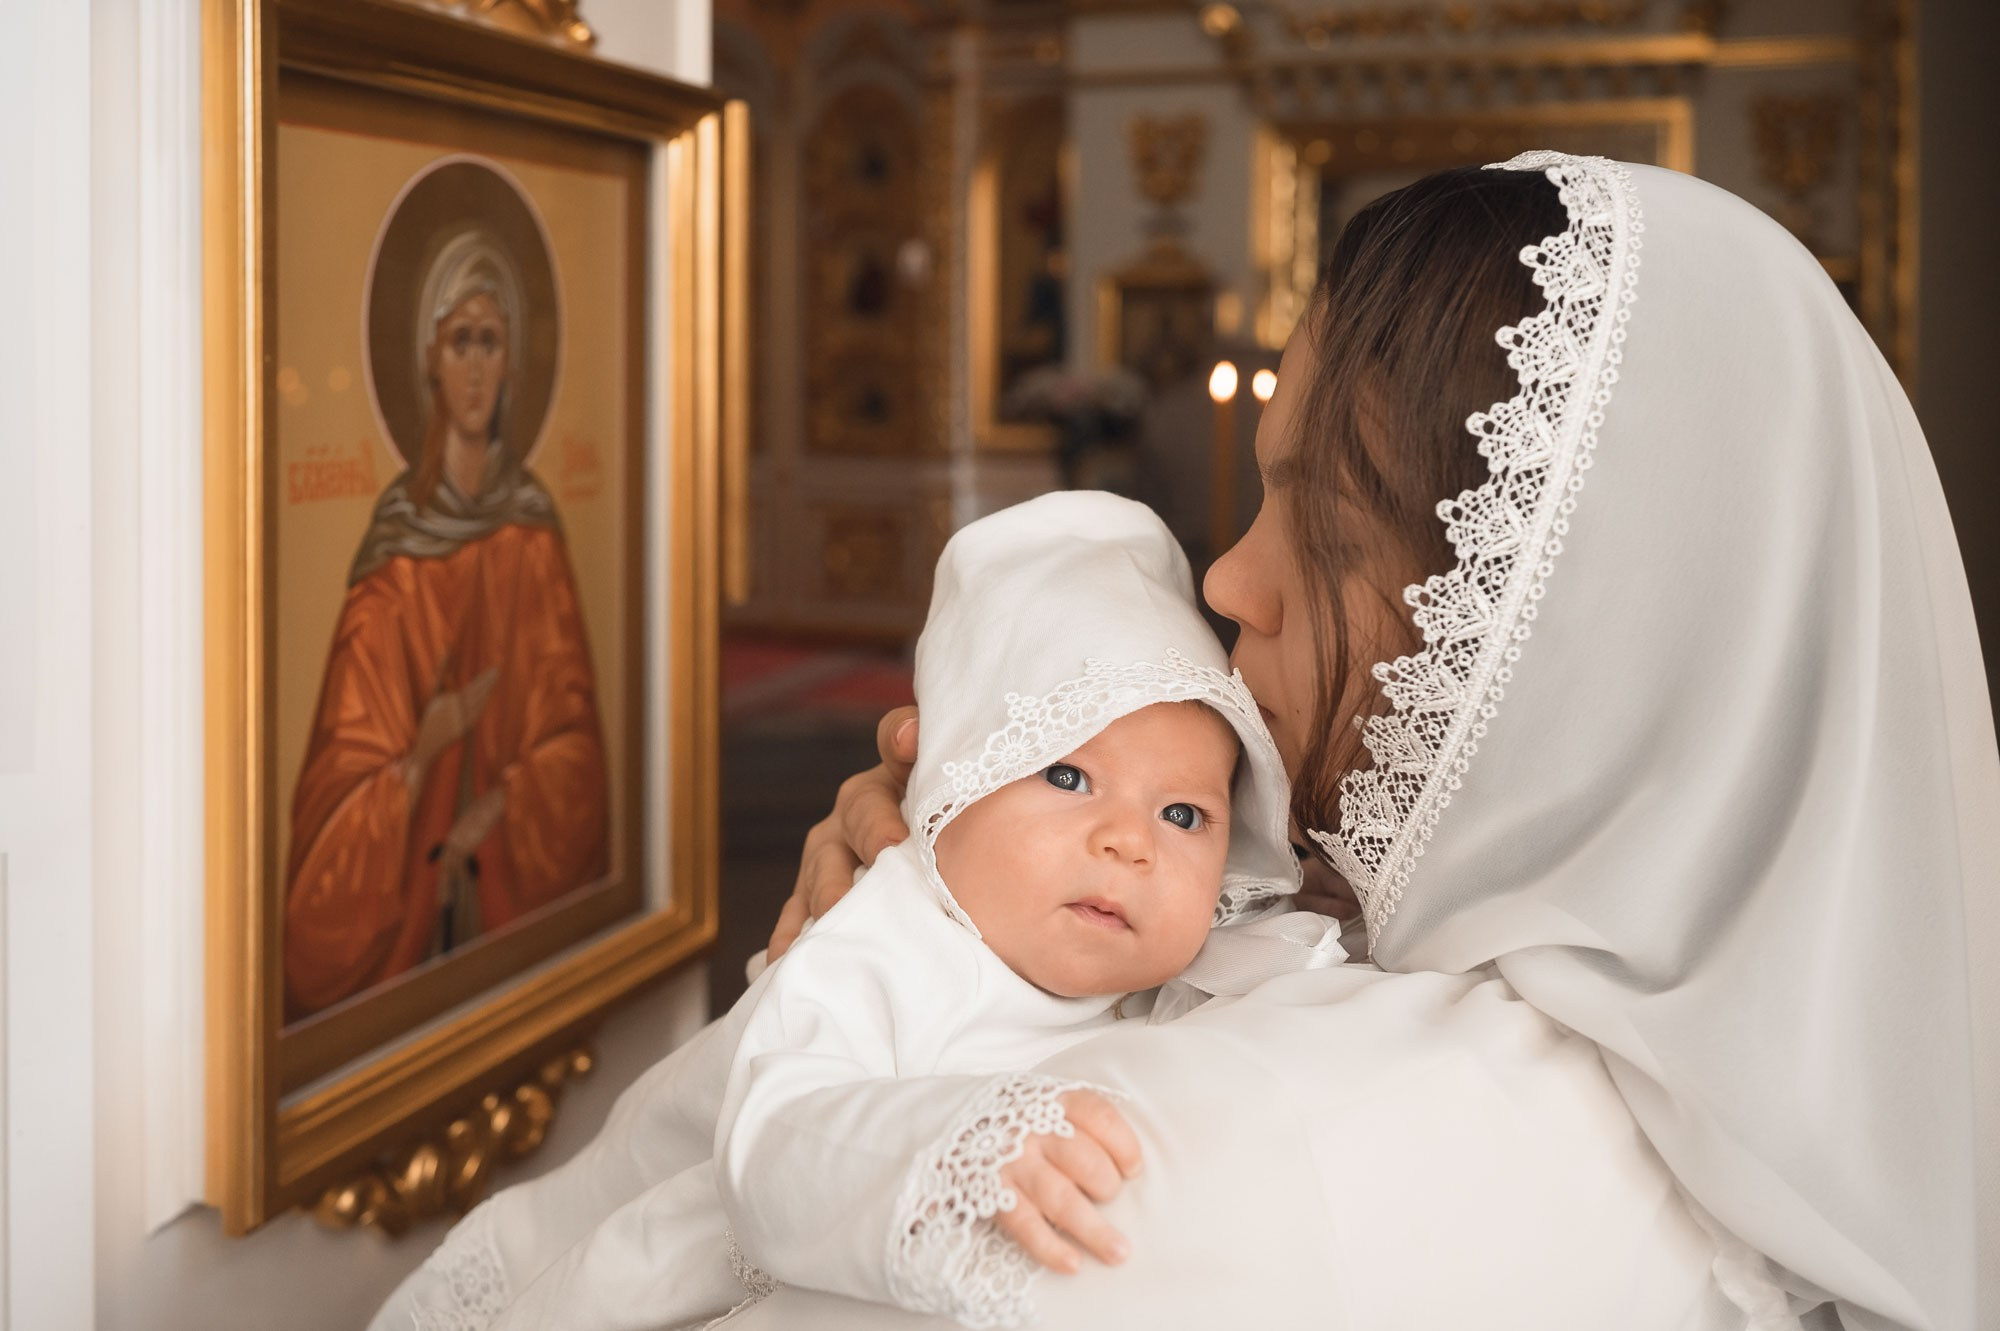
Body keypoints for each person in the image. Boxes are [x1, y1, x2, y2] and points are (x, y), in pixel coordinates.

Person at [732, 154, 1999, 1330]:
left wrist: (857, 1018)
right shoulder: (1748, 1069)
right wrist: (963, 890)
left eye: (1325, 532)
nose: (1228, 579)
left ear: (1556, 644)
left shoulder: (1214, 1153)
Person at [372, 493, 1334, 1331]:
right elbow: (775, 1137)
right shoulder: (892, 939)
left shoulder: (1174, 946)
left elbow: (1253, 966)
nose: (1131, 841)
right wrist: (961, 1147)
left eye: (1184, 814)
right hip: (658, 1250)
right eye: (1069, 774)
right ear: (949, 787)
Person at [285, 229, 611, 1017]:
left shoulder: (535, 541)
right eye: (458, 340)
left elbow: (577, 750)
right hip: (404, 922)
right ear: (428, 357)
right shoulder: (392, 568)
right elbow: (333, 801)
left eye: (490, 342)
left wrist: (496, 808)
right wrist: (419, 757)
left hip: (495, 898)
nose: (473, 365)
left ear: (511, 366)